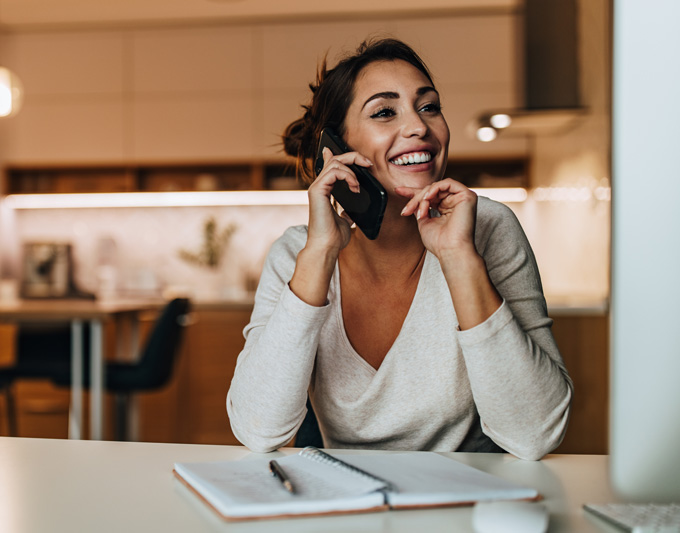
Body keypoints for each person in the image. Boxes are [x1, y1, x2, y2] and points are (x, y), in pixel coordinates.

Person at [226, 38, 572, 460]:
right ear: (336, 149)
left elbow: (536, 434)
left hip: (464, 493)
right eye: (384, 112)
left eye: (429, 106)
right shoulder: (298, 253)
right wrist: (319, 253)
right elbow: (258, 429)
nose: (419, 126)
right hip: (346, 494)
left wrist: (459, 258)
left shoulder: (487, 228)